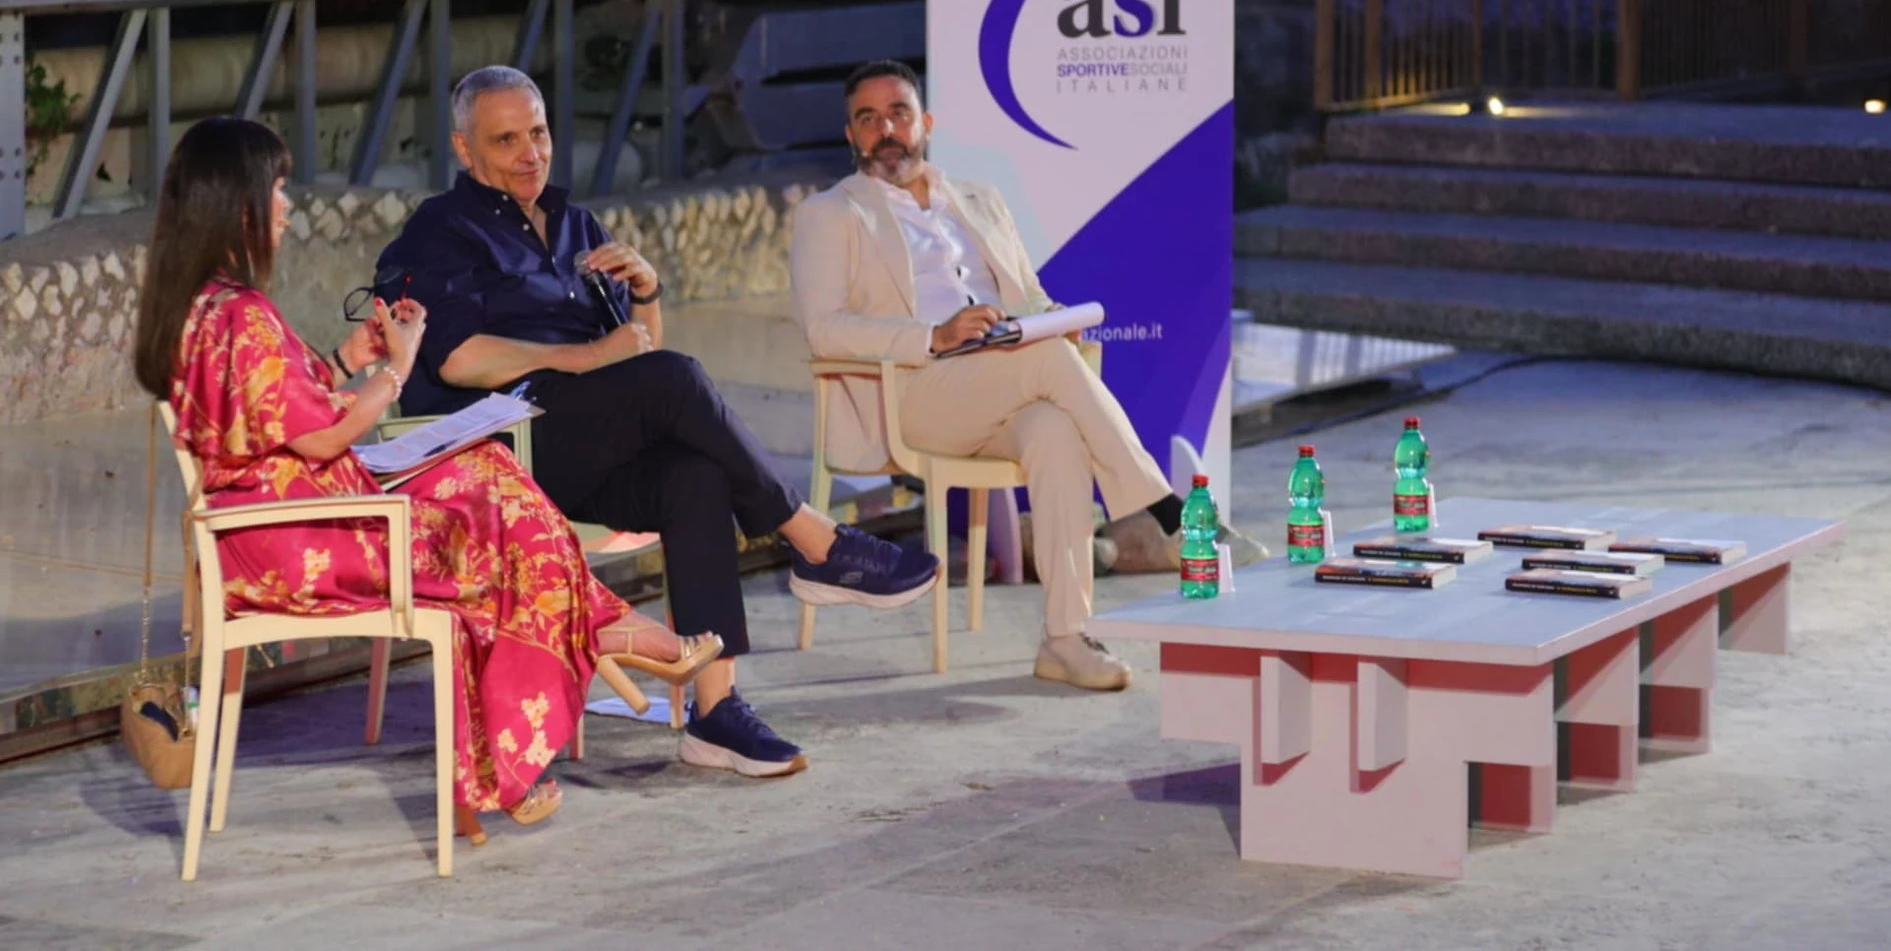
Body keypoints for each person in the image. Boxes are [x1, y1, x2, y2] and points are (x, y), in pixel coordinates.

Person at [133, 117, 721, 846]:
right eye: (278, 189)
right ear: (239, 202)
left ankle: (577, 670)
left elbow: (277, 410)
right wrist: (397, 367)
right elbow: (321, 434)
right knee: (493, 517)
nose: (287, 205)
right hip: (303, 541)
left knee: (487, 473)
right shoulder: (241, 314)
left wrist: (348, 354)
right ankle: (562, 691)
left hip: (274, 529)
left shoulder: (204, 308)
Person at [376, 66, 938, 779]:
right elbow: (457, 358)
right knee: (678, 380)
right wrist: (588, 354)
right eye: (506, 139)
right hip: (506, 453)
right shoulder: (441, 229)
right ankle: (812, 540)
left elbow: (640, 353)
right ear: (464, 149)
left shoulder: (576, 224)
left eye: (540, 133)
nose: (530, 153)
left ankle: (716, 712)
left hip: (587, 440)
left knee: (694, 476)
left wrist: (646, 293)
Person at [790, 60, 1256, 693]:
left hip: (1006, 379)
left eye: (898, 113)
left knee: (1056, 429)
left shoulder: (978, 199)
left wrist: (1049, 322)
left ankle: (1065, 638)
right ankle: (1166, 512)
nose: (886, 129)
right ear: (851, 136)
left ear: (925, 124)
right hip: (914, 391)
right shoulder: (831, 213)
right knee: (1045, 364)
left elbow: (1029, 296)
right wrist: (935, 334)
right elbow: (825, 328)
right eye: (868, 119)